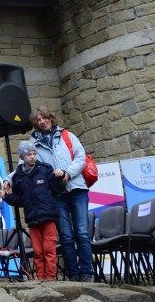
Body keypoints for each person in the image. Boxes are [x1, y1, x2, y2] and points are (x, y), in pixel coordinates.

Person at [13, 106, 94, 282]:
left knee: (81, 232)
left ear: (51, 118)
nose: (42, 122)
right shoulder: (33, 143)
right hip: (56, 194)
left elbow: (80, 157)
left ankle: (87, 273)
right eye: (38, 120)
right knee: (65, 235)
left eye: (45, 118)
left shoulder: (67, 135)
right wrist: (7, 180)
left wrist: (67, 173)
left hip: (76, 187)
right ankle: (73, 274)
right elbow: (21, 167)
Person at [0, 140, 63, 281]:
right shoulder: (19, 177)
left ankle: (51, 278)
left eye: (34, 154)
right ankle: (40, 279)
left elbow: (57, 190)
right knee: (38, 252)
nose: (32, 157)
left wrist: (59, 177)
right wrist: (7, 197)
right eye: (28, 154)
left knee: (49, 250)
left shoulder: (45, 169)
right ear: (22, 157)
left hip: (48, 216)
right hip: (32, 218)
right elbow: (20, 200)